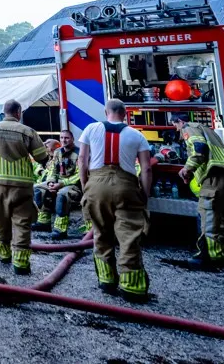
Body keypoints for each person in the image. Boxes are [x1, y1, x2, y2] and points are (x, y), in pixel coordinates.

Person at [78, 98, 153, 303]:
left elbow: (82, 161)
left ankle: (107, 280)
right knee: (128, 236)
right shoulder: (137, 135)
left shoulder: (90, 129)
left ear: (105, 112)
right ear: (125, 113)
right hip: (126, 187)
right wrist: (144, 196)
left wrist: (86, 187)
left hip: (96, 185)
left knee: (101, 232)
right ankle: (132, 288)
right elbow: (146, 168)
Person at [0, 99, 49, 275]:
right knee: (22, 223)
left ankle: (4, 256)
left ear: (4, 111)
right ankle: (21, 263)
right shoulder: (28, 132)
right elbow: (42, 157)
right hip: (22, 185)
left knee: (0, 219)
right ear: (19, 112)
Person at [172, 113, 224, 267]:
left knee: (207, 210)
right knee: (223, 215)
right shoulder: (205, 128)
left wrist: (187, 168)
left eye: (175, 125)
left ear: (180, 122)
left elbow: (199, 149)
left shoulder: (189, 128)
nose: (176, 130)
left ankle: (208, 255)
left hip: (213, 174)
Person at [33, 130, 83, 238]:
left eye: (67, 138)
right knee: (38, 190)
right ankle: (43, 223)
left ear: (73, 139)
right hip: (57, 183)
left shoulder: (80, 153)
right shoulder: (57, 152)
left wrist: (61, 184)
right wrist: (51, 182)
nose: (64, 140)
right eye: (61, 138)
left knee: (62, 195)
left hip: (73, 185)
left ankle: (60, 230)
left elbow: (80, 175)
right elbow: (53, 171)